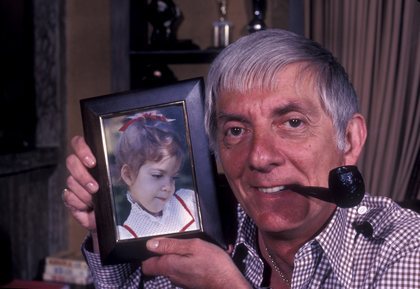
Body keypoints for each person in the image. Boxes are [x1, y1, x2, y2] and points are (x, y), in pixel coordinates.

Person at [63, 29, 420, 288]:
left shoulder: (404, 248)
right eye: (236, 130)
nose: (260, 157)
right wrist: (105, 225)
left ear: (350, 139)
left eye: (293, 122)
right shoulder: (201, 233)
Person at [111, 111, 199, 239]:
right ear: (128, 175)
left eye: (173, 177)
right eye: (157, 175)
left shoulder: (188, 203)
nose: (168, 187)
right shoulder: (126, 235)